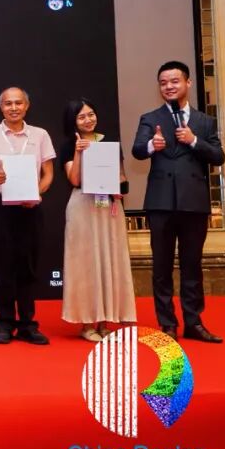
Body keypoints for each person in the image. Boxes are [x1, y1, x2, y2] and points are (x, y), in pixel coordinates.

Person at [132, 61, 225, 343]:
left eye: (174, 81)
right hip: (160, 203)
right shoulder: (150, 118)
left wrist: (194, 140)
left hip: (193, 203)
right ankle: (168, 324)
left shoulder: (204, 121)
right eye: (163, 83)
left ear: (187, 83)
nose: (169, 87)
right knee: (161, 267)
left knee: (191, 265)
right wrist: (153, 145)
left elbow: (218, 156)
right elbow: (137, 150)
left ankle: (194, 323)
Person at [0, 87, 55, 345]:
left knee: (28, 266)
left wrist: (36, 193)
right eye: (8, 103)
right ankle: (5, 323)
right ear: (1, 107)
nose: (13, 108)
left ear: (26, 106)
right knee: (3, 266)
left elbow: (48, 173)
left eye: (18, 103)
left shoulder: (40, 135)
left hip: (30, 207)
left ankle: (28, 324)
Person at [59, 98, 136, 342]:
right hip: (83, 207)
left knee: (109, 260)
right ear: (73, 121)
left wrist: (120, 187)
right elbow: (74, 179)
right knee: (85, 264)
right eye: (81, 116)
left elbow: (121, 176)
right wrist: (78, 152)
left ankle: (105, 321)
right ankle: (86, 324)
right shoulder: (68, 145)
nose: (88, 120)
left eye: (91, 114)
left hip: (109, 207)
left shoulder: (110, 142)